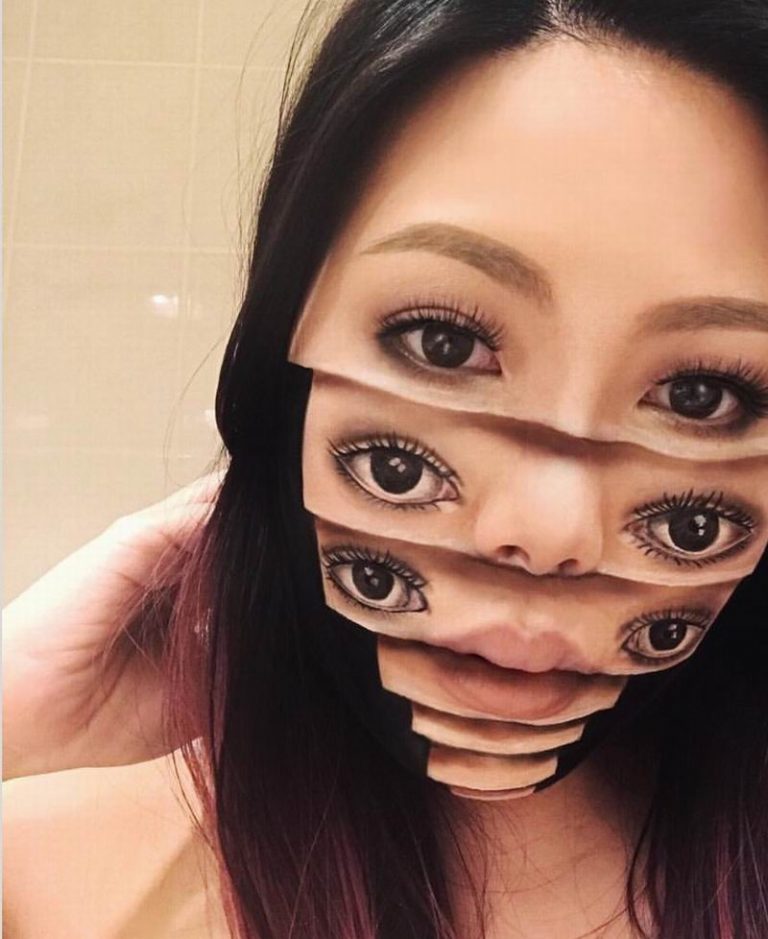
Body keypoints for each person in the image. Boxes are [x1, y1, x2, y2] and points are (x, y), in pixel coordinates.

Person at [4, 1, 768, 937]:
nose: (549, 533)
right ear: (276, 377)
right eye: (443, 341)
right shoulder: (45, 881)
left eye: (701, 394)